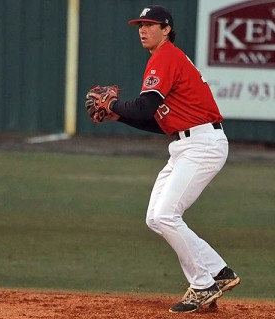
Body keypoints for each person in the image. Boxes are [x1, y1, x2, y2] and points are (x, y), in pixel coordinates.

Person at [87, 5, 240, 313]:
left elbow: (144, 107)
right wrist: (116, 114)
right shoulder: (163, 59)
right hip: (186, 144)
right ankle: (218, 273)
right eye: (140, 25)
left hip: (202, 144)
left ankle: (202, 285)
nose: (143, 30)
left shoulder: (165, 56)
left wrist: (113, 102)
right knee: (156, 217)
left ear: (166, 29)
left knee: (167, 215)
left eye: (150, 25)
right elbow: (155, 121)